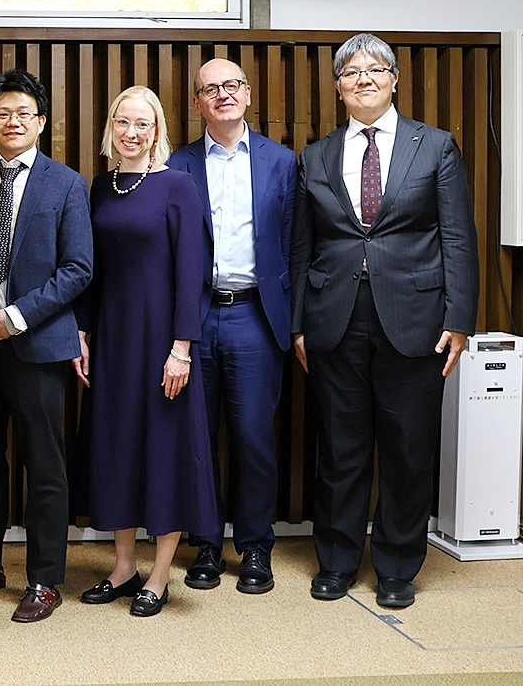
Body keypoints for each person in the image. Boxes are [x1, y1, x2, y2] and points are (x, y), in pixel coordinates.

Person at [291, 33, 479, 610]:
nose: (363, 79)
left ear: (395, 80)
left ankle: (397, 566)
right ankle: (337, 561)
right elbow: (303, 247)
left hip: (417, 318)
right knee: (339, 448)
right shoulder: (316, 156)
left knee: (407, 447)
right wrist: (298, 324)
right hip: (334, 318)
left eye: (375, 69)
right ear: (338, 88)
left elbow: (457, 236)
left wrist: (460, 319)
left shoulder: (435, 146)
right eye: (351, 72)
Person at [75, 85, 216, 618]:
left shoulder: (178, 185)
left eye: (142, 124)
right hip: (113, 337)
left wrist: (182, 348)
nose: (131, 133)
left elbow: (192, 272)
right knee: (117, 447)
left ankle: (159, 574)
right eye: (122, 122)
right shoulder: (101, 186)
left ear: (157, 131)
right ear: (110, 127)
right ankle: (123, 566)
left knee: (164, 449)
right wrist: (83, 332)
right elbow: (92, 270)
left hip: (162, 339)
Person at [0, 68, 92, 622]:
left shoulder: (67, 183)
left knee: (44, 464)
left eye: (23, 114)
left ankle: (44, 579)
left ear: (41, 122)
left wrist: (15, 318)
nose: (12, 122)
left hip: (36, 343)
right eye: (2, 114)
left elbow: (78, 268)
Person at [167, 59, 297, 595]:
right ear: (197, 103)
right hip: (194, 316)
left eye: (231, 85)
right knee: (197, 436)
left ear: (247, 95)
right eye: (210, 89)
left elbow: (296, 244)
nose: (222, 94)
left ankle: (256, 545)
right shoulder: (177, 164)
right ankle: (205, 542)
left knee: (253, 436)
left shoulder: (282, 161)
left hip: (255, 315)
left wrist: (296, 323)